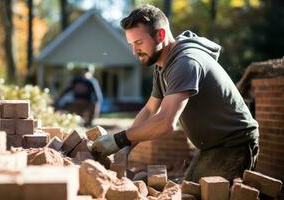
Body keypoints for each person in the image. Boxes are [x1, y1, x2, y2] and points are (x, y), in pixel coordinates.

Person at [91, 4, 259, 183]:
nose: (134, 51)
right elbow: (150, 109)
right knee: (188, 191)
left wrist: (119, 139)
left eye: (138, 42)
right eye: (131, 44)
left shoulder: (185, 62)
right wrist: (126, 148)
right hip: (211, 146)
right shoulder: (162, 65)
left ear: (160, 35)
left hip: (235, 144)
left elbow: (165, 121)